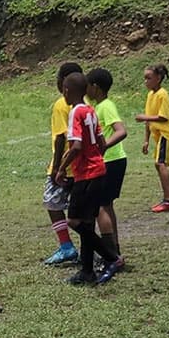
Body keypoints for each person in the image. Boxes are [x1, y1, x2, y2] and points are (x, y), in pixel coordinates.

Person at [55, 73, 122, 285]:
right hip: (99, 170)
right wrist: (96, 158)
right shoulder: (91, 110)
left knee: (74, 220)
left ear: (67, 90)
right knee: (86, 222)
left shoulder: (75, 112)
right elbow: (101, 142)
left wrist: (61, 168)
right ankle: (87, 271)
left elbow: (75, 146)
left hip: (86, 175)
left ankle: (111, 257)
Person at [42, 62, 82, 265]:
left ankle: (66, 247)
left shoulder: (61, 104)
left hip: (65, 167)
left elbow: (60, 138)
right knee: (83, 210)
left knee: (52, 204)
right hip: (82, 167)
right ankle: (88, 248)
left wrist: (57, 167)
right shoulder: (86, 103)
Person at [86, 68, 127, 262]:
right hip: (112, 160)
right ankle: (114, 249)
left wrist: (104, 147)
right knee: (106, 206)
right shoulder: (99, 105)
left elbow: (121, 131)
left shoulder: (106, 106)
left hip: (111, 160)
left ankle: (110, 254)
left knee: (101, 207)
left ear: (95, 87)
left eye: (88, 85)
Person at [136, 64, 169, 213]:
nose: (145, 82)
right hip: (160, 134)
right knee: (158, 164)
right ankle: (167, 198)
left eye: (149, 78)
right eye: (145, 78)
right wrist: (146, 140)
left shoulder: (162, 94)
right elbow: (149, 120)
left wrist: (144, 117)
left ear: (158, 78)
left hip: (168, 132)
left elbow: (163, 117)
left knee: (161, 163)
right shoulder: (150, 95)